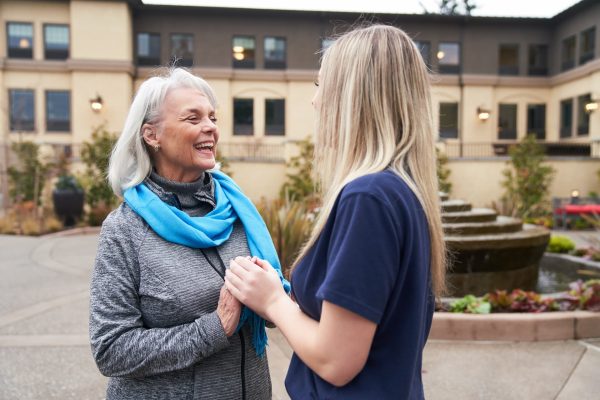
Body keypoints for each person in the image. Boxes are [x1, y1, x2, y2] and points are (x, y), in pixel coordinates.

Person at [225, 25, 447, 399]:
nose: (315, 102)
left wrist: (273, 301)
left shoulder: (368, 198)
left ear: (352, 97)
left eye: (320, 85)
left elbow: (336, 362)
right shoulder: (403, 191)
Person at [89, 67, 289, 400]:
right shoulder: (124, 230)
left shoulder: (237, 210)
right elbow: (111, 348)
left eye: (212, 117)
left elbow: (270, 308)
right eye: (192, 119)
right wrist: (215, 328)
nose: (210, 127)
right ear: (152, 135)